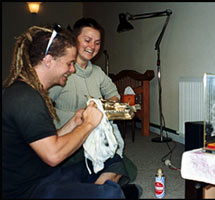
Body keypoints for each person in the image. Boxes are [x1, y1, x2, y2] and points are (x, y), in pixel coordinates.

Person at [2, 24, 139, 199]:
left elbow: (46, 141)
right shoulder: (25, 98)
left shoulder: (30, 92)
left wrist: (74, 122)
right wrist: (89, 124)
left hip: (43, 173)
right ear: (49, 60)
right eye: (69, 63)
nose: (72, 69)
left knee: (111, 162)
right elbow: (54, 155)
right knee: (109, 194)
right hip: (28, 190)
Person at [48, 18, 137, 187]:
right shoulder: (62, 71)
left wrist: (100, 107)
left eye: (97, 43)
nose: (92, 47)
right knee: (114, 169)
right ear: (75, 40)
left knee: (125, 169)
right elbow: (43, 102)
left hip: (94, 137)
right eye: (87, 40)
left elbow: (113, 95)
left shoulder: (97, 72)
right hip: (69, 140)